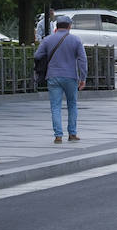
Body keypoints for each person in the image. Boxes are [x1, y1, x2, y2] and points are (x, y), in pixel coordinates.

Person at [34, 12, 89, 143]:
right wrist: (83, 78)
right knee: (72, 105)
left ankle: (58, 135)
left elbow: (37, 55)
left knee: (55, 106)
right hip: (70, 76)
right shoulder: (76, 40)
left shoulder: (48, 39)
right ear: (69, 26)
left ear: (56, 27)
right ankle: (72, 133)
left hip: (53, 76)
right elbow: (82, 60)